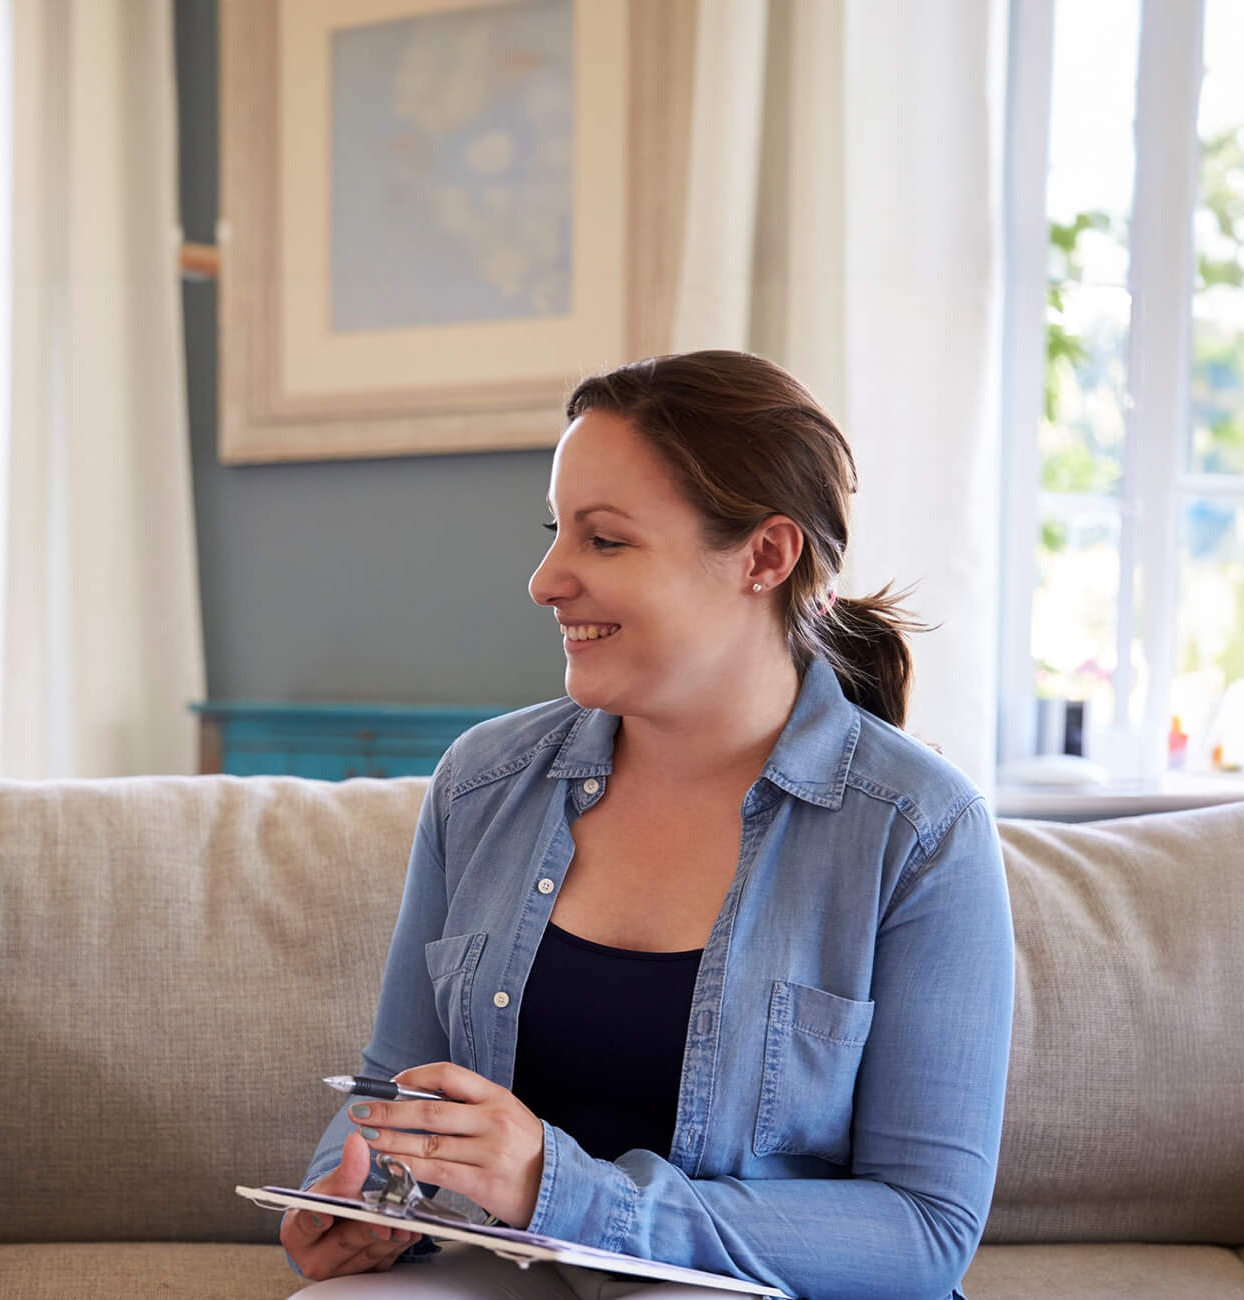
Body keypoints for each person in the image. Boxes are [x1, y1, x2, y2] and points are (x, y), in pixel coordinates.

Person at [281, 352, 1014, 1300]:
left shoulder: (917, 831)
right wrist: (361, 1200)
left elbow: (924, 1234)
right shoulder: (485, 784)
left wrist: (564, 1190)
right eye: (556, 533)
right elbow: (400, 1084)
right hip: (509, 1271)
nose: (546, 580)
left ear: (765, 556)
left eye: (605, 541)